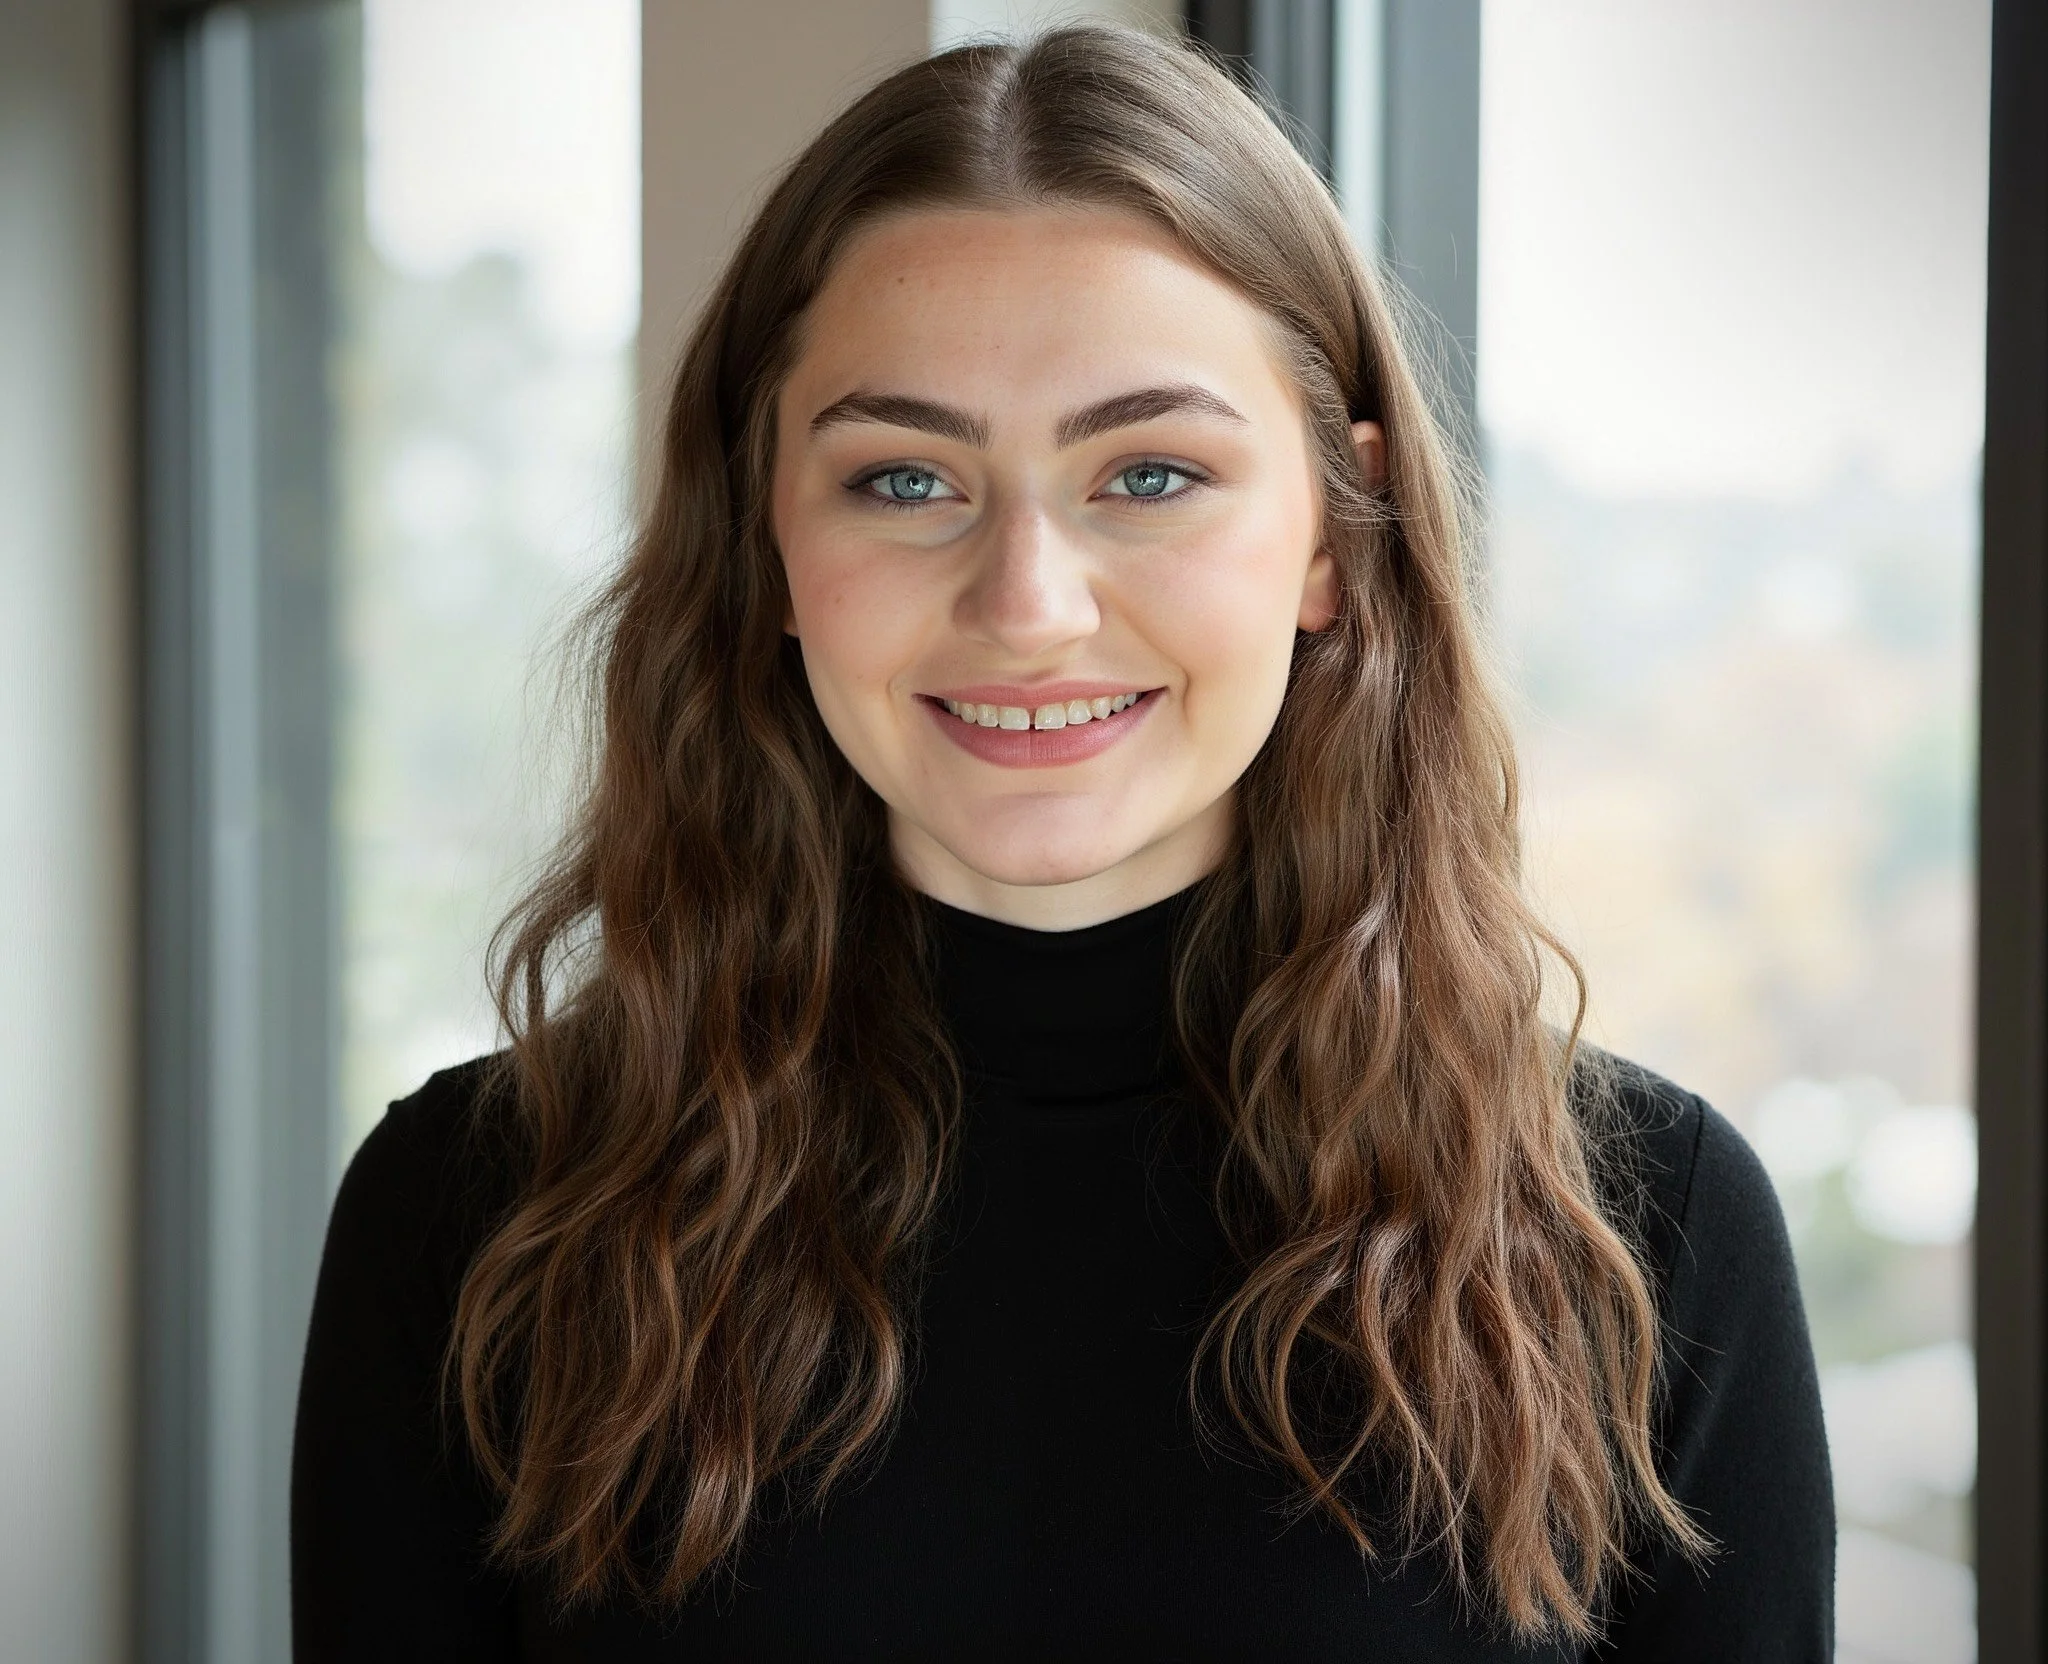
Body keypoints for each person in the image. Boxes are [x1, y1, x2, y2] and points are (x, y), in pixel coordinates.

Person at [291, 25, 1833, 1661]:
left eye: (1149, 474)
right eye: (903, 480)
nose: (1028, 605)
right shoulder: (476, 1221)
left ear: (1336, 528)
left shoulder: (1644, 1237)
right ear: (767, 537)